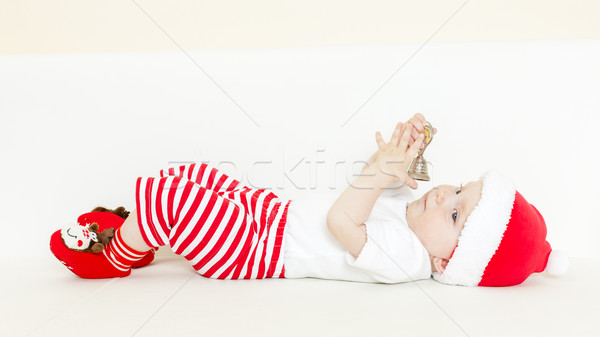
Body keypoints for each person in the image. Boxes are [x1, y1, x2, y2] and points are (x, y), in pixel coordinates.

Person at [50, 114, 568, 286]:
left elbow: (346, 223)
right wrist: (405, 155)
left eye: (455, 212)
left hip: (257, 252)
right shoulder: (414, 223)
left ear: (445, 260)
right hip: (267, 214)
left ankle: (118, 253)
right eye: (457, 188)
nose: (443, 194)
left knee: (170, 202)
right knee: (188, 175)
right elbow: (394, 187)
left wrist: (375, 171)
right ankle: (144, 235)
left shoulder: (407, 259)